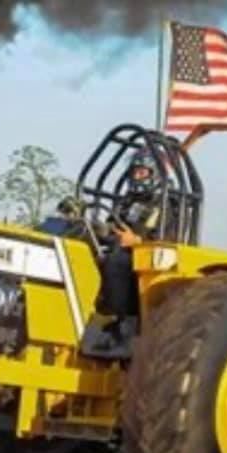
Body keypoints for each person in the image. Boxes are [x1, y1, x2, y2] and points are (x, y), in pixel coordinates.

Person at [90, 149, 167, 355]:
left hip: (151, 256)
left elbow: (170, 238)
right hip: (120, 247)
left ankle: (120, 322)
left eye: (143, 172)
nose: (137, 177)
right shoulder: (127, 201)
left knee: (117, 261)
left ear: (155, 174)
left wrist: (138, 241)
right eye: (135, 172)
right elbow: (113, 224)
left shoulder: (166, 203)